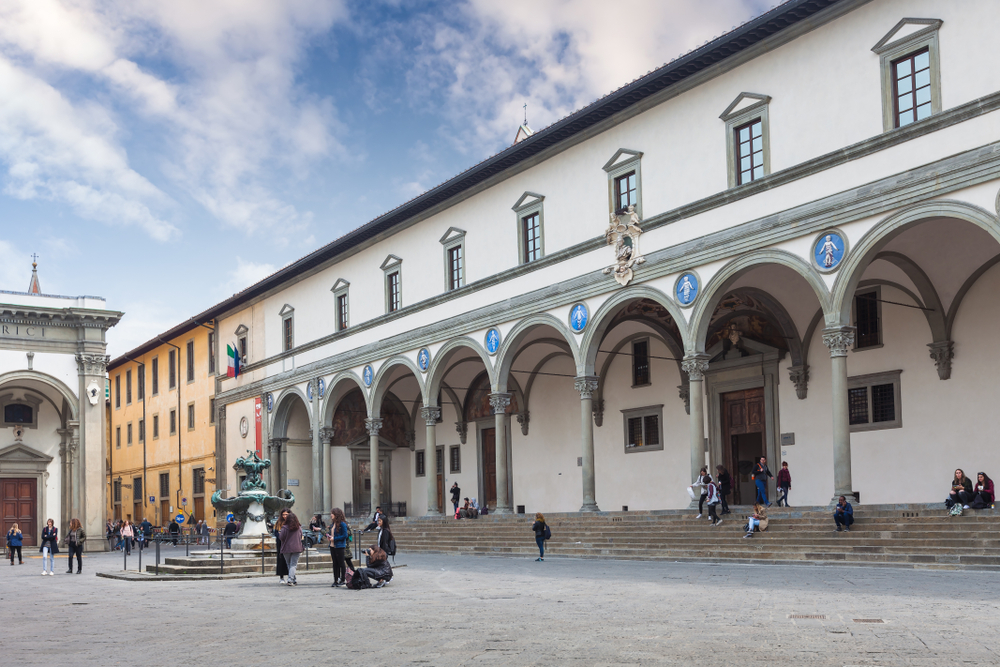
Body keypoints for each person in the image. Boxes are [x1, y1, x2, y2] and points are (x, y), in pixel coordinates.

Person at [278, 511, 303, 586]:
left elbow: (281, 537)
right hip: (297, 547)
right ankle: (292, 579)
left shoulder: (284, 528)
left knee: (289, 564)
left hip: (286, 548)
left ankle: (290, 579)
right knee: (293, 565)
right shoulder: (298, 527)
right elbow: (301, 535)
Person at [329, 507, 350, 588]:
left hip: (340, 546)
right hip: (332, 545)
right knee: (335, 563)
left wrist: (334, 538)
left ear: (336, 515)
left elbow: (345, 535)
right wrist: (329, 537)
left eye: (332, 513)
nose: (331, 515)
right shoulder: (333, 524)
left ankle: (342, 579)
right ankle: (335, 580)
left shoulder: (342, 524)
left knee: (341, 563)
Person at [273, 509, 290, 584]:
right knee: (280, 559)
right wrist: (280, 535)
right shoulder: (278, 522)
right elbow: (275, 532)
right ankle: (281, 577)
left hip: (289, 542)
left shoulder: (291, 522)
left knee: (289, 560)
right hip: (280, 542)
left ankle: (290, 576)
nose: (285, 516)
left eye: (286, 514)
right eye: (283, 514)